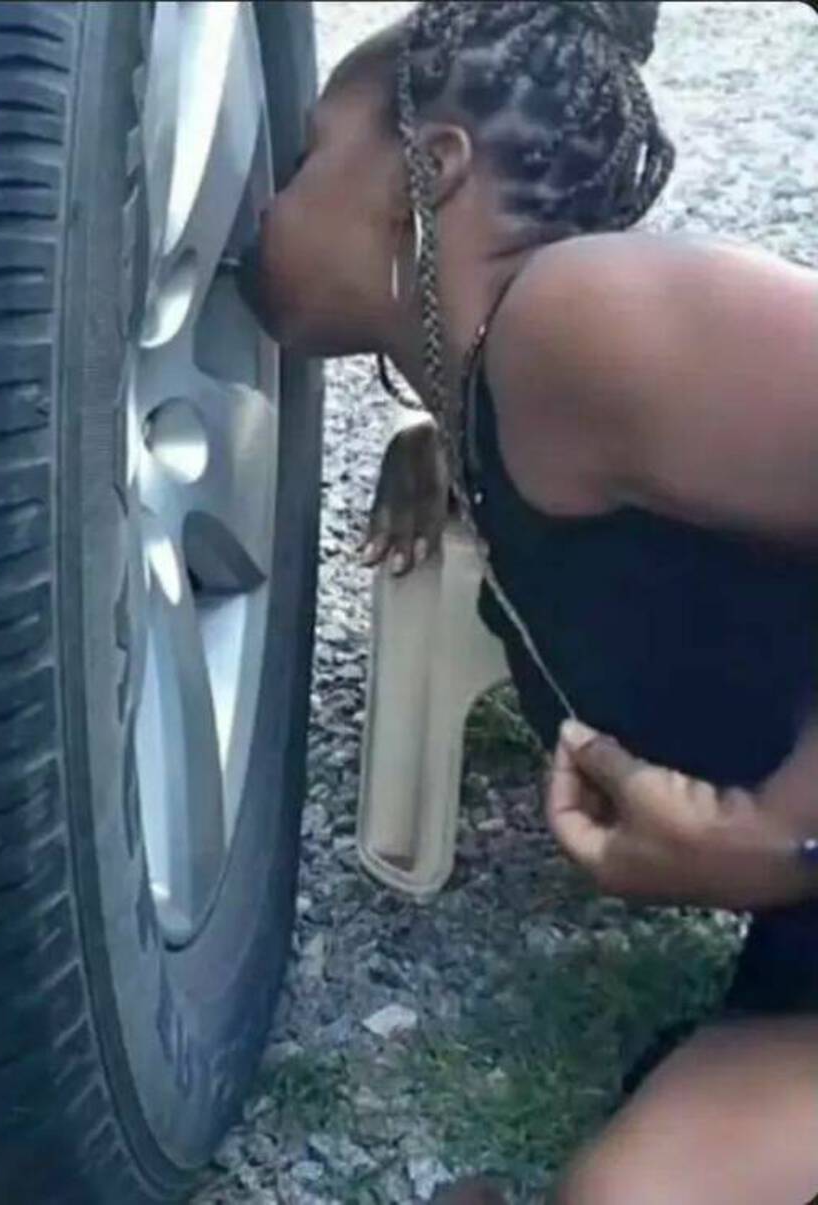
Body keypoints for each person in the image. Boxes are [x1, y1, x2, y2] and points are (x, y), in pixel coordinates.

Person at [234, 3, 818, 1202]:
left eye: (301, 159)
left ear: (425, 168)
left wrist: (787, 831)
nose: (262, 207)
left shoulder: (576, 322)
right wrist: (438, 437)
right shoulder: (520, 400)